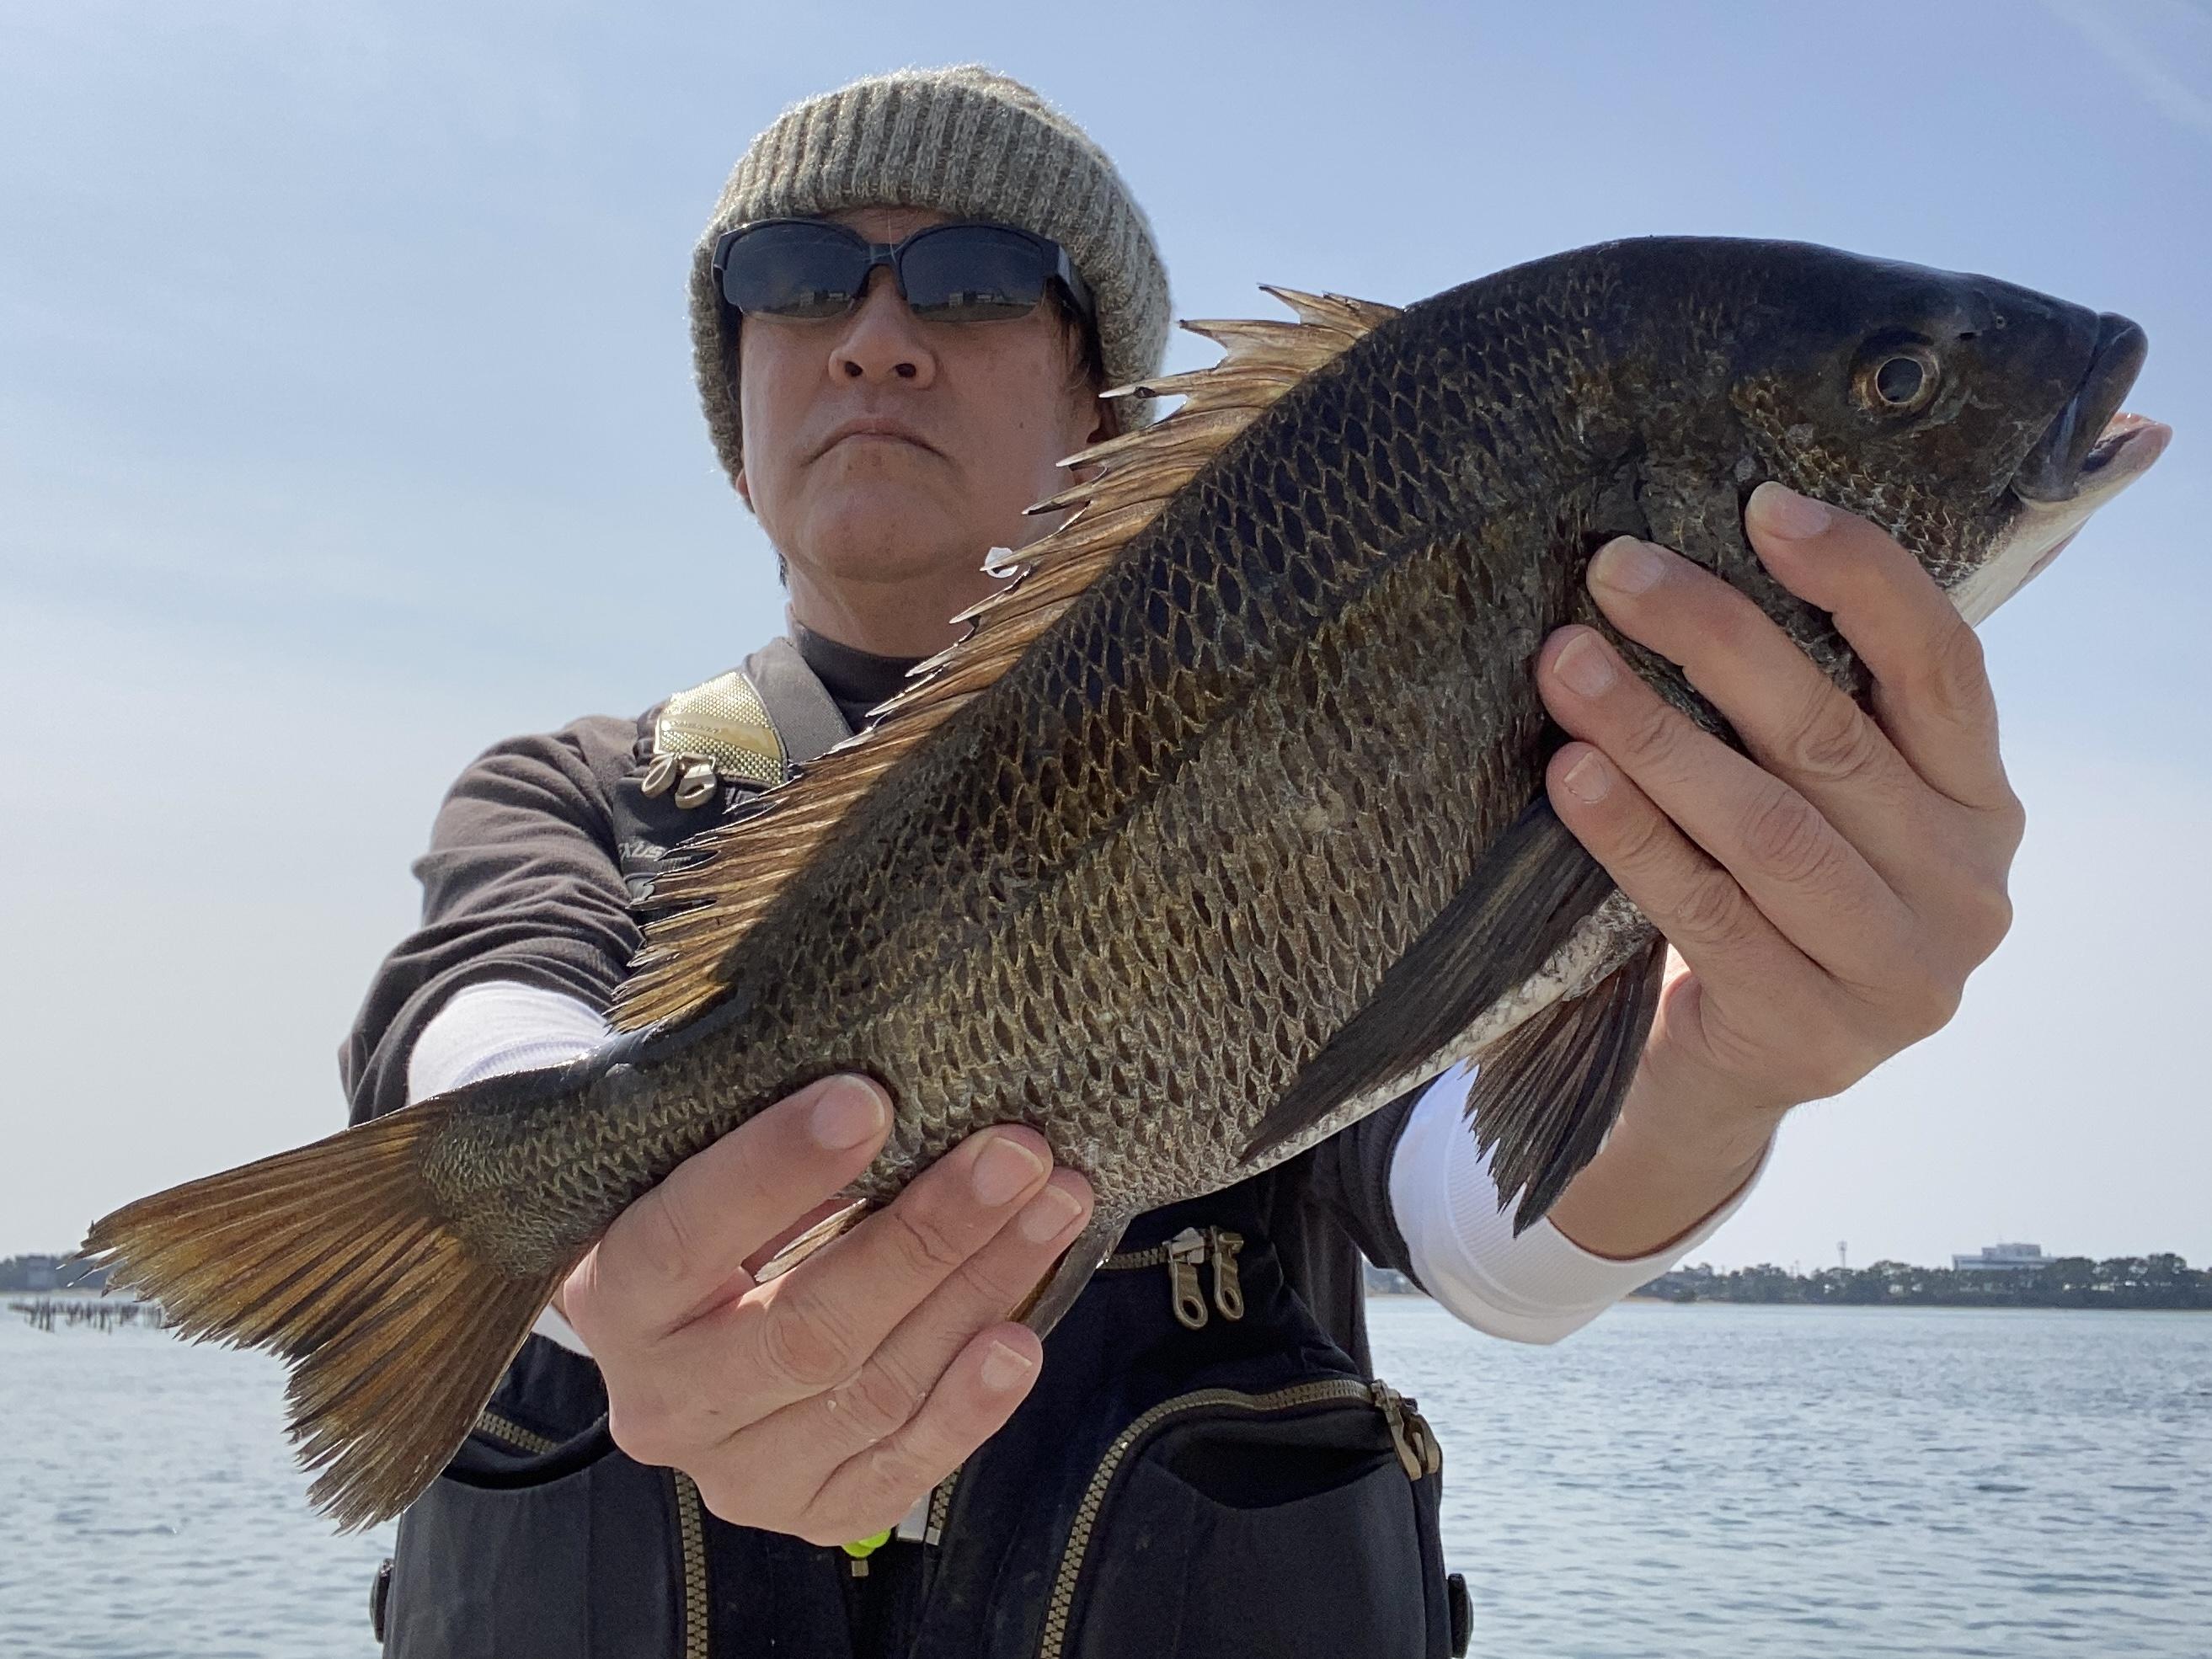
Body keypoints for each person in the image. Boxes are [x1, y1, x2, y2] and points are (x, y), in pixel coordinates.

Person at [346, 66, 2024, 1658]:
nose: (875, 338)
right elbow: (490, 1014)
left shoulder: (1340, 762)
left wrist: (1726, 1067)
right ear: (737, 407)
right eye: (795, 278)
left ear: (1104, 411)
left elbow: (1475, 1223)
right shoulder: (569, 791)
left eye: (974, 279)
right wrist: (582, 1248)